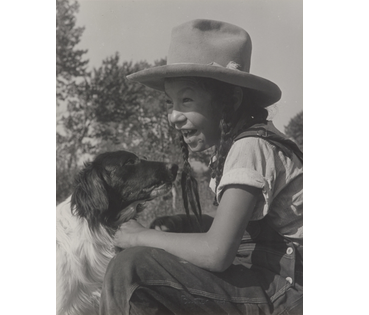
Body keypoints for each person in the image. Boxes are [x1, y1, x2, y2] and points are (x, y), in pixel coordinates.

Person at [100, 19, 303, 315]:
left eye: (186, 100)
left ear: (230, 100)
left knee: (131, 268)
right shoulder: (245, 144)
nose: (173, 116)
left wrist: (137, 236)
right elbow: (237, 230)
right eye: (170, 102)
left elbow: (218, 252)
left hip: (286, 293)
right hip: (270, 283)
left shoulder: (250, 148)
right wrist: (184, 225)